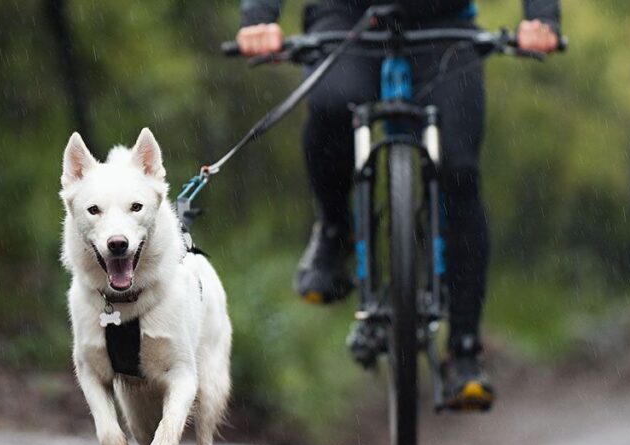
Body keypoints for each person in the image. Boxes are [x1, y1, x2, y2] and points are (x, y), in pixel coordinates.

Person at [235, 0, 560, 409]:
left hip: (444, 25)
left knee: (460, 171)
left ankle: (464, 350)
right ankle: (335, 232)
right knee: (333, 106)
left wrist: (543, 17)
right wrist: (258, 19)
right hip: (346, 18)